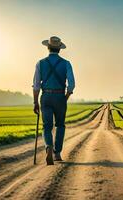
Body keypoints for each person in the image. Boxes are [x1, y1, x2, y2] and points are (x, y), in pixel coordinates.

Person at [32, 36, 75, 165]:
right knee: (60, 125)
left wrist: (35, 102)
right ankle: (56, 153)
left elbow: (36, 85)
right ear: (59, 49)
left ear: (48, 47)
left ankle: (48, 147)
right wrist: (65, 98)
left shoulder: (40, 63)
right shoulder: (66, 63)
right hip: (60, 96)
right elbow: (71, 84)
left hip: (45, 96)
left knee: (47, 126)